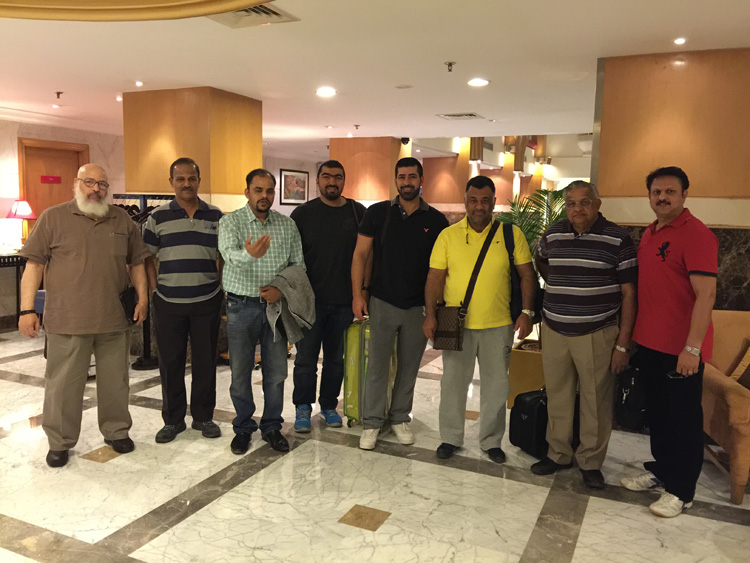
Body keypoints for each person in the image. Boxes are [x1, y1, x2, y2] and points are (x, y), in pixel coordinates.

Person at [18, 164, 150, 468]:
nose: (96, 189)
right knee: (63, 386)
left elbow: (138, 263)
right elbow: (34, 266)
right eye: (89, 182)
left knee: (116, 382)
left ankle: (117, 431)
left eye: (102, 184)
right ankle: (60, 441)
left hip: (114, 319)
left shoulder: (122, 219)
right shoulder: (53, 217)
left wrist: (143, 299)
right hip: (67, 320)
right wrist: (26, 310)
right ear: (76, 183)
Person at [621, 166, 717, 518]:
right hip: (650, 345)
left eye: (670, 192)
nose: (662, 198)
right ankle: (662, 470)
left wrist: (692, 348)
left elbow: (706, 295)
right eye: (656, 192)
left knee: (683, 421)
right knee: (659, 416)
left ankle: (682, 490)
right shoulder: (651, 232)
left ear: (684, 195)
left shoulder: (697, 235)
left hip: (681, 351)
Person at [531, 180, 637, 488]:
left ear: (597, 204)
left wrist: (623, 344)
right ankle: (558, 454)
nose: (578, 209)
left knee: (595, 401)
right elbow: (542, 261)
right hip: (555, 329)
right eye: (572, 203)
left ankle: (590, 462)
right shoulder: (553, 233)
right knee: (558, 396)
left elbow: (630, 294)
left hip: (597, 331)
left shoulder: (618, 238)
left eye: (584, 202)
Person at [424, 175, 536, 463]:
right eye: (473, 200)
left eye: (485, 201)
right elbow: (435, 279)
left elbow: (527, 275)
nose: (479, 206)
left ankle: (491, 441)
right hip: (455, 323)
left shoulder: (511, 234)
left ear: (494, 202)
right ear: (465, 201)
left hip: (498, 325)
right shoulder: (448, 236)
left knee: (496, 388)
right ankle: (450, 438)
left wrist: (527, 312)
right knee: (452, 385)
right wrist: (430, 315)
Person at [352, 157, 448, 450]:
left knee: (409, 367)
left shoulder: (436, 220)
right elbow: (360, 255)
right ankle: (372, 422)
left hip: (418, 307)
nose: (407, 182)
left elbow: (441, 269)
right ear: (395, 180)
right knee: (377, 366)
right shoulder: (378, 213)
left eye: (412, 177)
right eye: (402, 177)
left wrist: (435, 310)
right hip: (382, 301)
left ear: (421, 180)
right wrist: (358, 295)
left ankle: (399, 418)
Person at [219, 168, 305, 455]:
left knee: (277, 373)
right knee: (240, 373)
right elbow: (230, 256)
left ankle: (271, 427)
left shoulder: (286, 225)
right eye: (258, 190)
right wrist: (249, 254)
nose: (264, 196)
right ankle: (243, 428)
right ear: (247, 192)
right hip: (240, 307)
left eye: (269, 190)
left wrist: (281, 288)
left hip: (276, 308)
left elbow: (298, 266)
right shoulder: (230, 222)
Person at [144, 158, 224, 444]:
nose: (186, 184)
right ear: (171, 183)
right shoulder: (158, 217)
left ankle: (203, 417)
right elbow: (146, 257)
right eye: (180, 179)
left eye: (191, 178)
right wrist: (155, 290)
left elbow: (223, 255)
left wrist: (219, 286)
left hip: (207, 300)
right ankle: (173, 420)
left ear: (199, 181)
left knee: (206, 362)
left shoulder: (216, 216)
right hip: (168, 302)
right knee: (170, 363)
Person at [290, 160, 366, 432]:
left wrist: (362, 293)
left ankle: (329, 405)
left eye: (337, 177)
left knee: (336, 360)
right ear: (318, 180)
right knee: (305, 361)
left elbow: (366, 256)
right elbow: (291, 257)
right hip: (309, 303)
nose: (332, 182)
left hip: (344, 302)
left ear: (344, 180)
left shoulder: (358, 212)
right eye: (326, 176)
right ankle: (302, 407)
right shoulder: (302, 214)